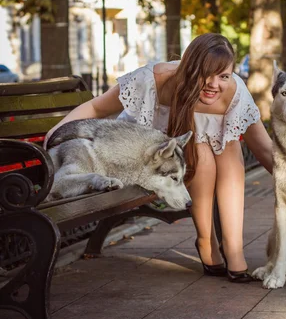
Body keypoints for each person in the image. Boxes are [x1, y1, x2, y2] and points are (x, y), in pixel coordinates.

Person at [45, 33, 273, 282]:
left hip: (183, 154)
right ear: (188, 68)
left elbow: (263, 149)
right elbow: (98, 107)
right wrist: (53, 137)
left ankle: (234, 248)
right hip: (145, 156)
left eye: (224, 76)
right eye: (204, 74)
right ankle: (207, 243)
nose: (213, 84)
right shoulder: (155, 79)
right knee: (202, 151)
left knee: (230, 146)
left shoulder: (233, 92)